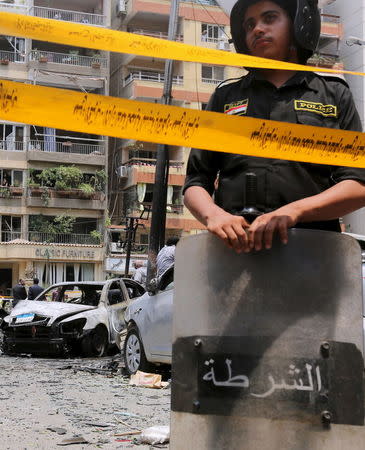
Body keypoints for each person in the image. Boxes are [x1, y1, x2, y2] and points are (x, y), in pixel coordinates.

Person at [184, 0, 365, 254]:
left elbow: (358, 185)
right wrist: (213, 215)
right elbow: (195, 181)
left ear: (297, 23)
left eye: (269, 18)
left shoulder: (333, 96)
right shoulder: (225, 98)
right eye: (249, 25)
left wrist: (294, 211)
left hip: (314, 259)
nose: (257, 29)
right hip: (236, 259)